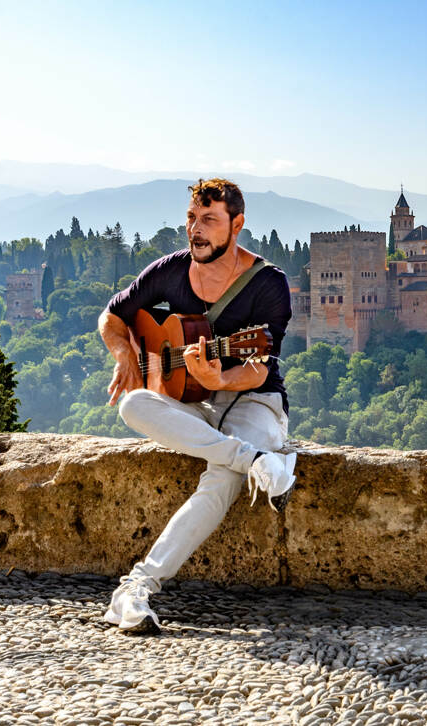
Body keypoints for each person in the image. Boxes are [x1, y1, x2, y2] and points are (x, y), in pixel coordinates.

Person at [97, 178, 296, 634]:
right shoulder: (169, 269)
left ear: (237, 224)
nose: (196, 230)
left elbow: (262, 366)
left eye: (209, 220)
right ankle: (260, 461)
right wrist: (125, 354)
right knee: (133, 405)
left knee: (222, 477)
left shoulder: (268, 284)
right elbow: (112, 314)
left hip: (255, 402)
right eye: (191, 219)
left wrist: (220, 377)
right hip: (192, 402)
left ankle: (136, 587)